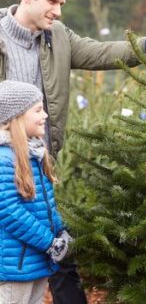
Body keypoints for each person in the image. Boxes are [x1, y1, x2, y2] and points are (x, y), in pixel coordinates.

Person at [0, 0, 146, 304]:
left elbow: (101, 53)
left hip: (40, 161)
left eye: (62, 4)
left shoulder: (58, 37)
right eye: (52, 1)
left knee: (56, 243)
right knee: (18, 238)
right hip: (3, 159)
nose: (58, 10)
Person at [0, 80, 71, 304]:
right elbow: (8, 211)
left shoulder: (34, 153)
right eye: (38, 110)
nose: (46, 116)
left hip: (35, 259)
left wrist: (61, 232)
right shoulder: (4, 158)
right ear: (17, 117)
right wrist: (48, 242)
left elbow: (47, 204)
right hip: (15, 264)